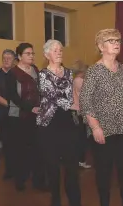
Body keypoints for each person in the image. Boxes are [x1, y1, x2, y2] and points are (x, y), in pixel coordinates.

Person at [80, 29, 123, 206]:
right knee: (104, 172)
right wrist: (95, 127)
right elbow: (85, 101)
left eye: (118, 40)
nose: (116, 43)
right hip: (103, 130)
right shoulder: (94, 71)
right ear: (100, 46)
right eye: (111, 40)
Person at [37, 39, 81, 206]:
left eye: (60, 50)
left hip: (68, 122)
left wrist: (77, 105)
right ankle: (55, 200)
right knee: (53, 167)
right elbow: (52, 95)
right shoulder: (43, 75)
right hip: (49, 124)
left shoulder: (69, 73)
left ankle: (75, 201)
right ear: (47, 54)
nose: (59, 52)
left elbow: (73, 94)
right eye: (55, 50)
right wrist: (73, 105)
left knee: (72, 166)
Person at [5, 43, 46, 191]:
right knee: (20, 149)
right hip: (19, 116)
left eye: (32, 53)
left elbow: (40, 91)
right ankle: (20, 180)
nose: (31, 56)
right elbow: (13, 96)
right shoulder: (12, 73)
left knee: (37, 148)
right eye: (28, 53)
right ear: (20, 56)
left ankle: (38, 181)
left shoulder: (35, 70)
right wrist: (30, 107)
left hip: (36, 115)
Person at [0, 49, 16, 179]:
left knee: (17, 143)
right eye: (4, 57)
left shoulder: (16, 73)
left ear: (14, 60)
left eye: (9, 58)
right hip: (4, 113)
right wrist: (12, 105)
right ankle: (9, 171)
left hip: (17, 114)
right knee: (7, 143)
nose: (6, 60)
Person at [72, 63, 92, 169]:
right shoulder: (79, 81)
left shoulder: (76, 80)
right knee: (82, 137)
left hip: (79, 111)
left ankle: (81, 159)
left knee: (82, 136)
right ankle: (81, 160)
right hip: (80, 111)